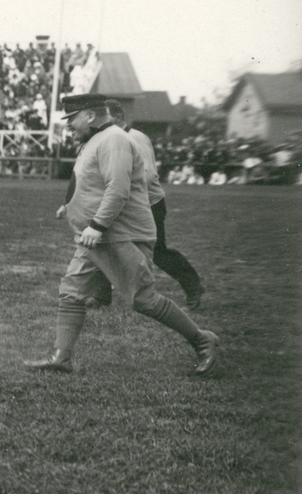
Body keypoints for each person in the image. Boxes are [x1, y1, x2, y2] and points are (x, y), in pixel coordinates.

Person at [25, 94, 219, 375]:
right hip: (96, 237)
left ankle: (203, 340)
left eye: (72, 118)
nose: (68, 125)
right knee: (71, 292)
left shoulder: (114, 140)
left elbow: (118, 189)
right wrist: (71, 206)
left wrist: (97, 225)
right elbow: (90, 182)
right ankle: (62, 357)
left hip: (119, 234)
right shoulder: (96, 140)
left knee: (144, 299)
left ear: (90, 116)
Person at [56, 99, 205, 310]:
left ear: (116, 116)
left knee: (158, 253)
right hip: (120, 203)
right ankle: (101, 296)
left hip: (147, 204)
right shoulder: (102, 139)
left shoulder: (135, 138)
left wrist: (119, 179)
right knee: (104, 243)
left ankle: (193, 286)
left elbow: (149, 173)